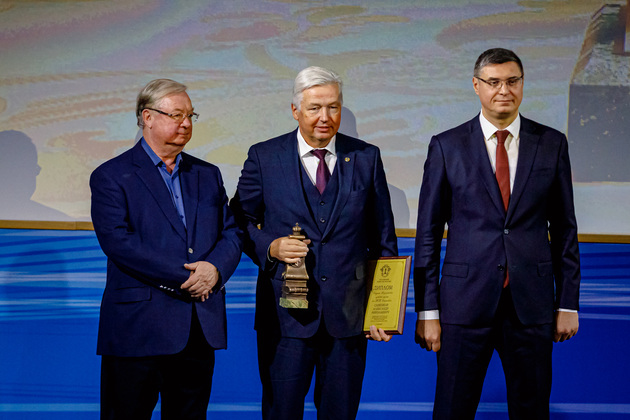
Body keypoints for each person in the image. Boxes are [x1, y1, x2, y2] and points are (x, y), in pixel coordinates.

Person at [414, 48, 581, 419]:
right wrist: (427, 310)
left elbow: (565, 230)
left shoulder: (551, 143)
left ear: (522, 84)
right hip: (463, 304)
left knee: (532, 411)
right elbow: (428, 234)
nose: (503, 90)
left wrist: (568, 303)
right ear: (477, 86)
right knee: (452, 410)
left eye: (512, 81)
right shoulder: (447, 146)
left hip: (531, 305)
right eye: (493, 82)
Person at [230, 66, 398, 420]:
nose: (325, 117)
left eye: (333, 107)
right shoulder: (264, 156)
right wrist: (270, 247)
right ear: (295, 110)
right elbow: (238, 219)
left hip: (349, 316)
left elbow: (383, 237)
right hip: (284, 316)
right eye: (315, 108)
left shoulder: (367, 157)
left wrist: (383, 311)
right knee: (281, 412)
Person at [90, 79, 242, 420]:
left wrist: (214, 270)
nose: (186, 123)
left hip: (196, 328)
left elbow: (231, 232)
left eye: (190, 115)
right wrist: (189, 277)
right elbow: (118, 243)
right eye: (176, 115)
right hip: (137, 329)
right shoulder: (112, 175)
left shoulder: (207, 174)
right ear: (148, 117)